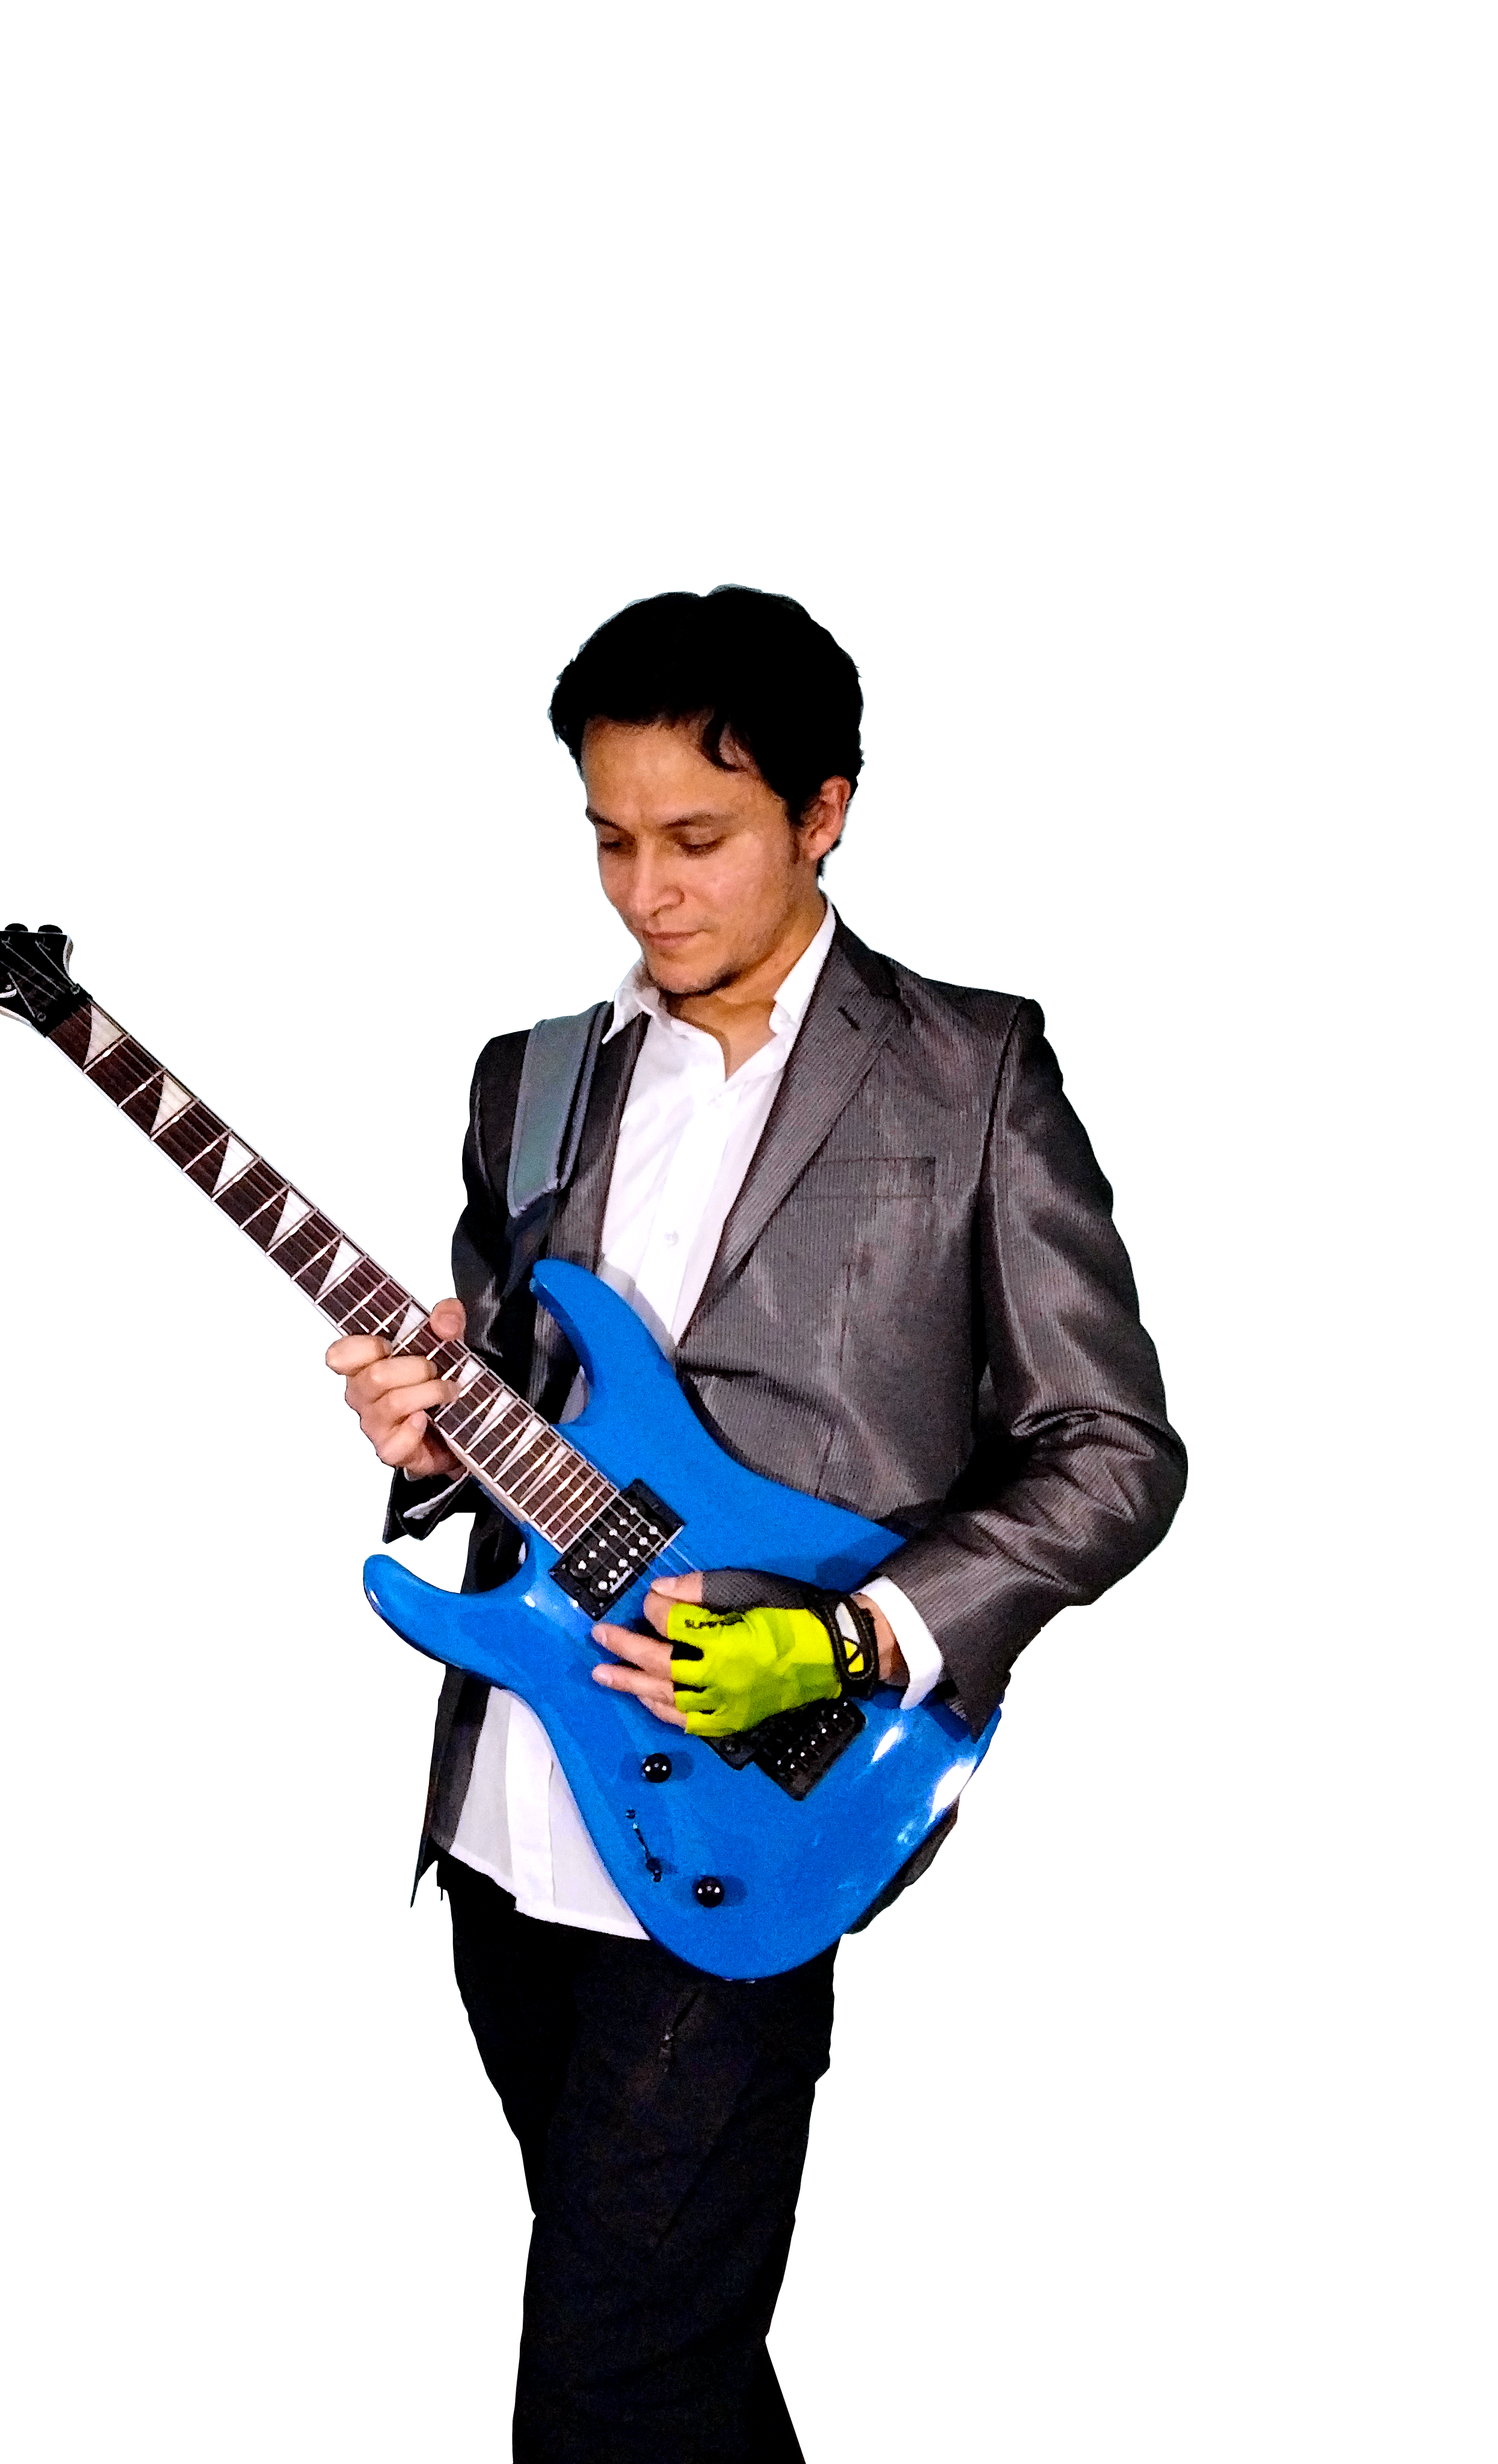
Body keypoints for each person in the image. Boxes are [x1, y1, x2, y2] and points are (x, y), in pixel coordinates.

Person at [325, 585, 1185, 2462]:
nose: (648, 892)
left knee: (608, 2384)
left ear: (825, 815)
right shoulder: (529, 1074)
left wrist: (857, 1636)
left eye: (698, 839)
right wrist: (425, 1441)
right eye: (610, 840)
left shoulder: (971, 1070)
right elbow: (509, 1404)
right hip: (512, 1806)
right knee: (662, 2342)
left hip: (759, 1806)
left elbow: (1112, 1449)